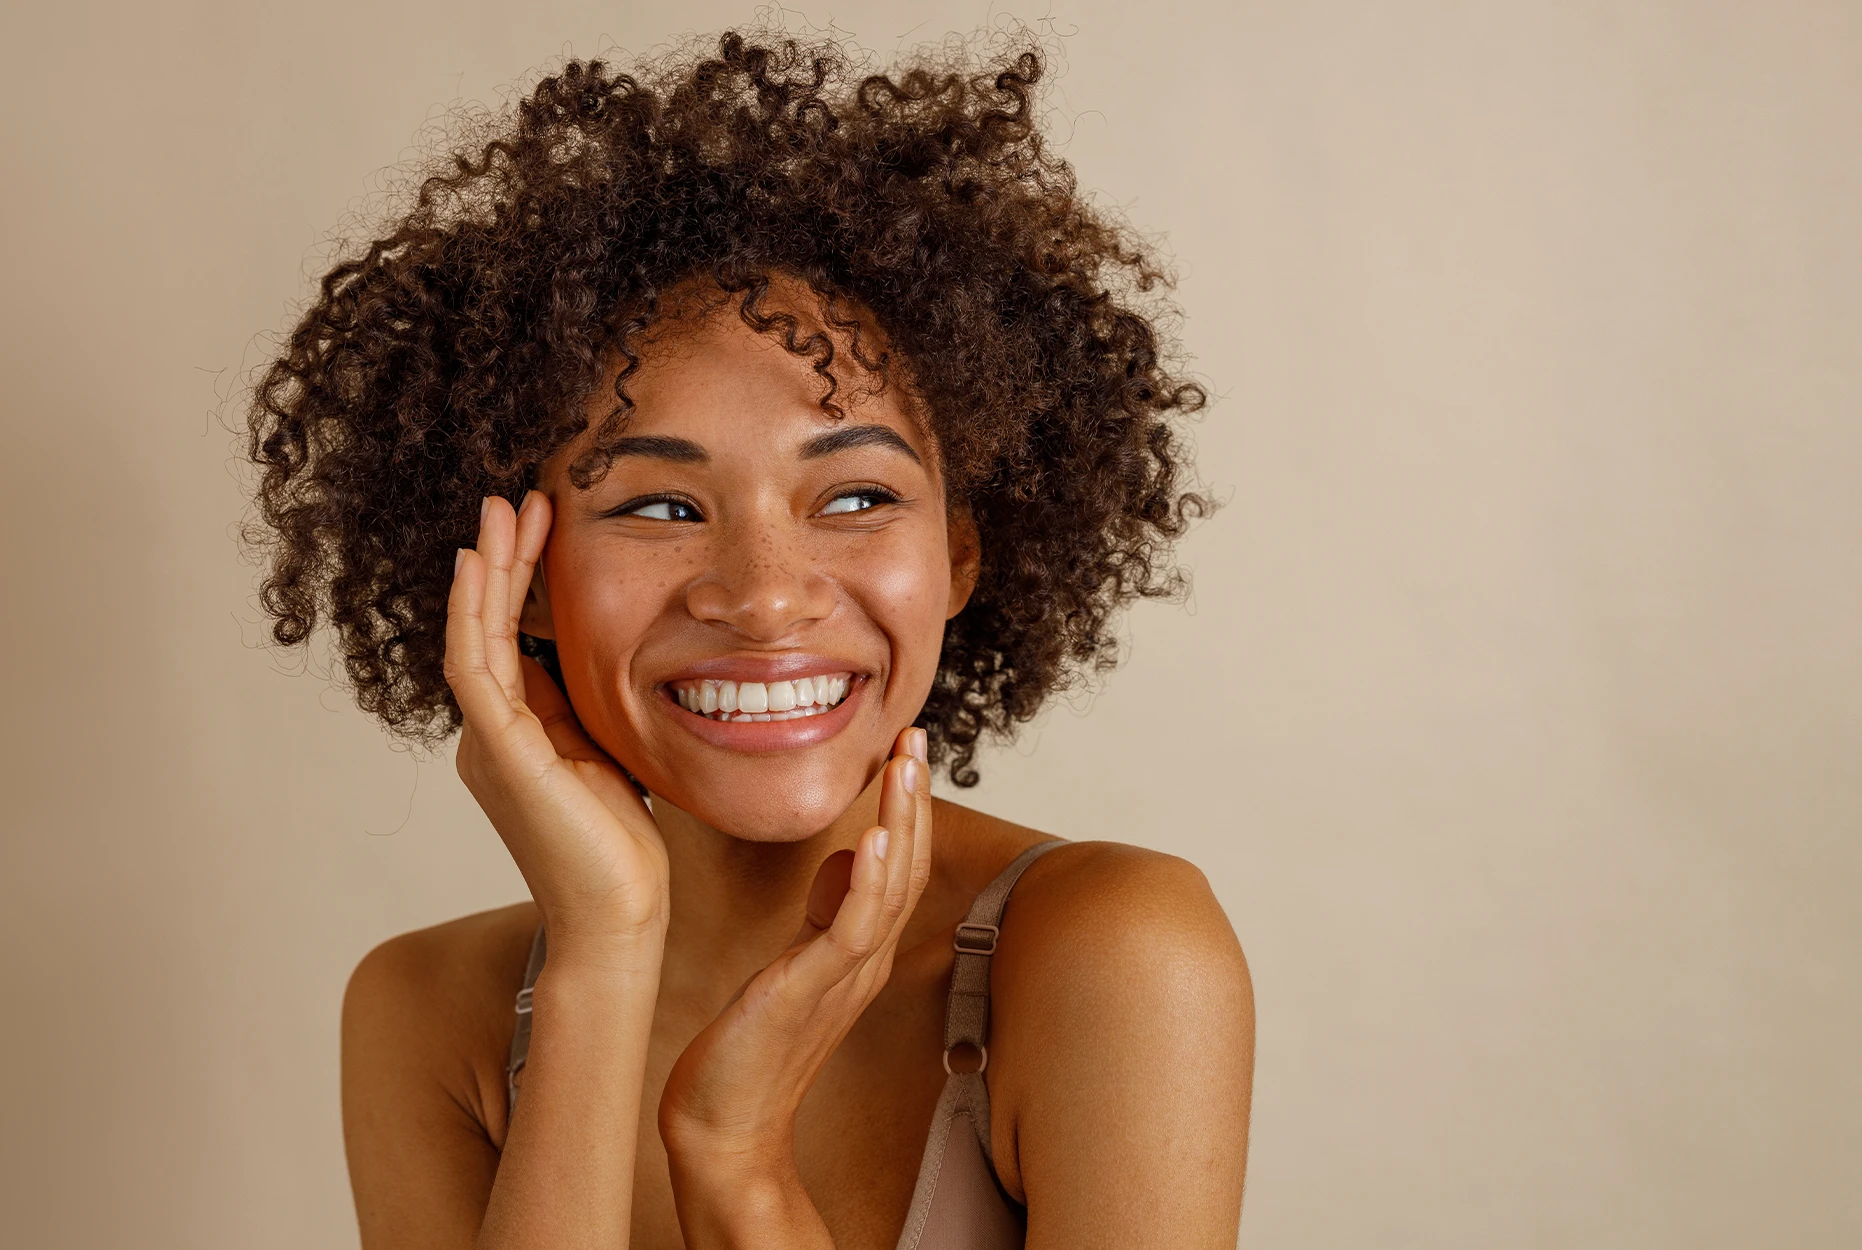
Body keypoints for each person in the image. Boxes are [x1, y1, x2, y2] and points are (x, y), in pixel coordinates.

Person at [246, 27, 1254, 1249]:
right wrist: (602, 956)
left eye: (856, 495)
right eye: (661, 507)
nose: (766, 598)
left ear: (960, 552)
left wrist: (734, 1162)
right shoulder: (426, 1011)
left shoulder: (1112, 952)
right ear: (523, 579)